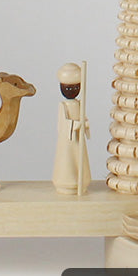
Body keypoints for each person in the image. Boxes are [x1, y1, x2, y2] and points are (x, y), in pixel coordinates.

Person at [51, 63, 90, 194]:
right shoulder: (63, 105)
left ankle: (81, 182)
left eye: (75, 87)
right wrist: (75, 125)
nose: (72, 91)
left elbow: (83, 117)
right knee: (67, 161)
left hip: (78, 140)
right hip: (67, 141)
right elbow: (63, 123)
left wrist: (85, 124)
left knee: (79, 158)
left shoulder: (79, 104)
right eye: (68, 88)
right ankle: (66, 182)